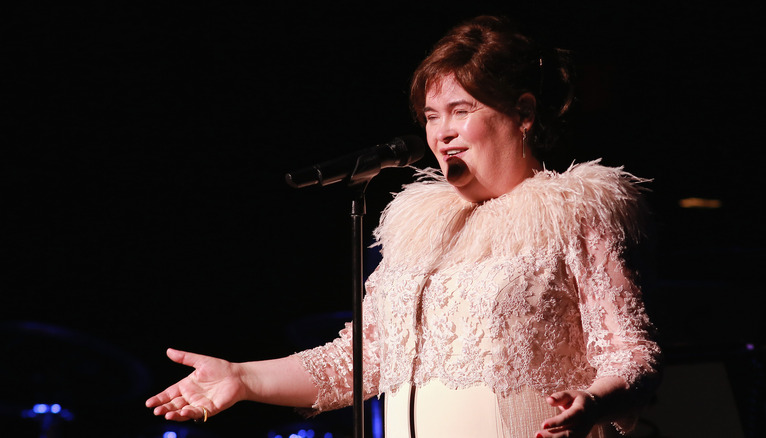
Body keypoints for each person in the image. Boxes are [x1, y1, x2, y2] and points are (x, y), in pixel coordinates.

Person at [145, 15, 661, 438]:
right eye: (432, 116)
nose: (442, 133)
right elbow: (358, 360)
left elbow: (632, 354)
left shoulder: (572, 213)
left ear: (522, 112)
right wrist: (243, 377)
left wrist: (592, 402)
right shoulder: (420, 229)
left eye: (462, 110)